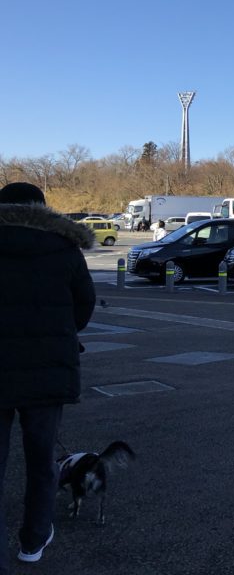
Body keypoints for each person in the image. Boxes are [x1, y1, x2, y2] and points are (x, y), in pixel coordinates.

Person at [0, 182, 95, 570]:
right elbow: (83, 306)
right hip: (48, 372)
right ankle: (34, 540)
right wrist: (58, 337)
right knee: (42, 460)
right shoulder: (64, 248)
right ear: (43, 208)